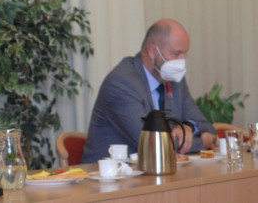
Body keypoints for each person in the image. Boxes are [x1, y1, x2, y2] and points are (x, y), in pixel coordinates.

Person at [81, 18, 215, 163]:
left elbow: (208, 129)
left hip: (156, 171)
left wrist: (189, 127)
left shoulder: (175, 80)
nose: (182, 62)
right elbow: (154, 144)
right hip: (111, 174)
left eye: (184, 54)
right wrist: (203, 142)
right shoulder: (122, 83)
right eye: (176, 54)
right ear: (152, 51)